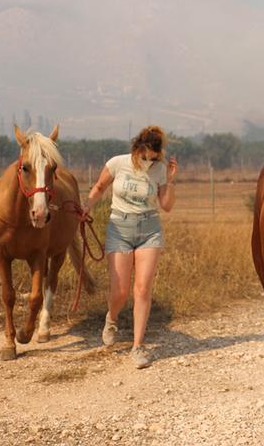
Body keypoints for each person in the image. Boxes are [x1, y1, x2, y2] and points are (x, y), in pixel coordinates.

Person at [81, 125, 178, 368]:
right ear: (138, 149)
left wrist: (169, 180)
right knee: (120, 292)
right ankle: (111, 319)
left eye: (154, 157)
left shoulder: (160, 170)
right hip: (119, 229)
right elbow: (100, 187)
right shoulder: (118, 163)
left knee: (143, 289)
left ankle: (137, 346)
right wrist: (87, 207)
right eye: (146, 156)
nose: (149, 161)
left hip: (149, 229)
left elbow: (166, 206)